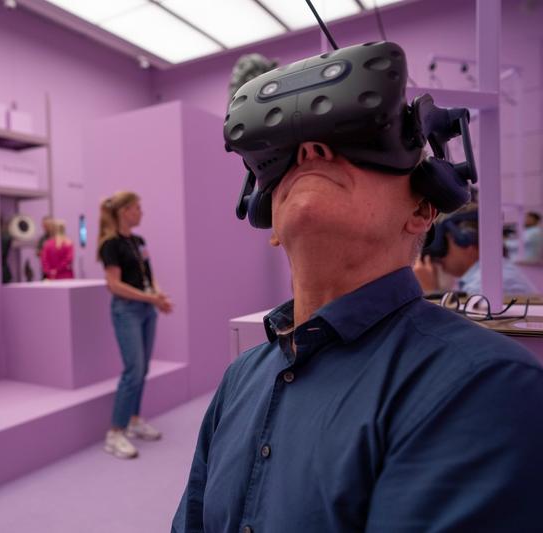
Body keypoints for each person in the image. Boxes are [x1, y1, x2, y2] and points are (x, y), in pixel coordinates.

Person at [173, 46, 543, 532]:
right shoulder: (239, 379)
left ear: (422, 210)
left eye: (350, 140)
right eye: (287, 154)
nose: (311, 152)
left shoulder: (486, 385)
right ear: (273, 222)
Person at [97, 191, 173, 459]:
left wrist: (158, 296)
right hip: (127, 311)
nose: (141, 212)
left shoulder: (139, 241)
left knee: (143, 369)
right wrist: (152, 298)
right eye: (137, 208)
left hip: (146, 310)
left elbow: (149, 277)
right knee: (133, 370)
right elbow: (114, 285)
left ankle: (134, 420)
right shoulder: (110, 244)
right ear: (124, 211)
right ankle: (115, 433)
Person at [414, 203, 538, 295]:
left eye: (443, 242)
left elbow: (461, 324)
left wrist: (429, 291)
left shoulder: (487, 283)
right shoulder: (487, 275)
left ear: (467, 239)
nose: (437, 253)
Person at [36, 215, 56, 279]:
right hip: (46, 271)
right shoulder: (42, 239)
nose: (45, 227)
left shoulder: (58, 238)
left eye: (47, 225)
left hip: (59, 271)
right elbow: (38, 252)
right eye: (44, 225)